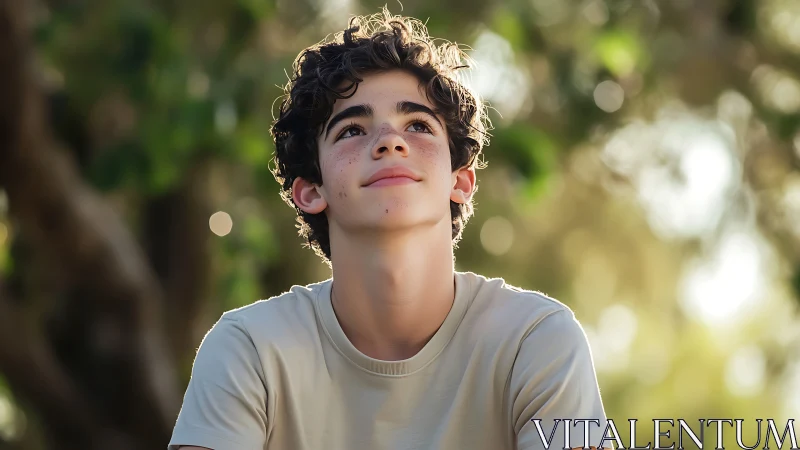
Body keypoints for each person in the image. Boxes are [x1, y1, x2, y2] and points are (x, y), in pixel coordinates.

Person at [168, 8, 608, 450]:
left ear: (460, 182)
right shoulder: (250, 350)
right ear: (310, 191)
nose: (389, 141)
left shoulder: (535, 341)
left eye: (417, 125)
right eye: (351, 130)